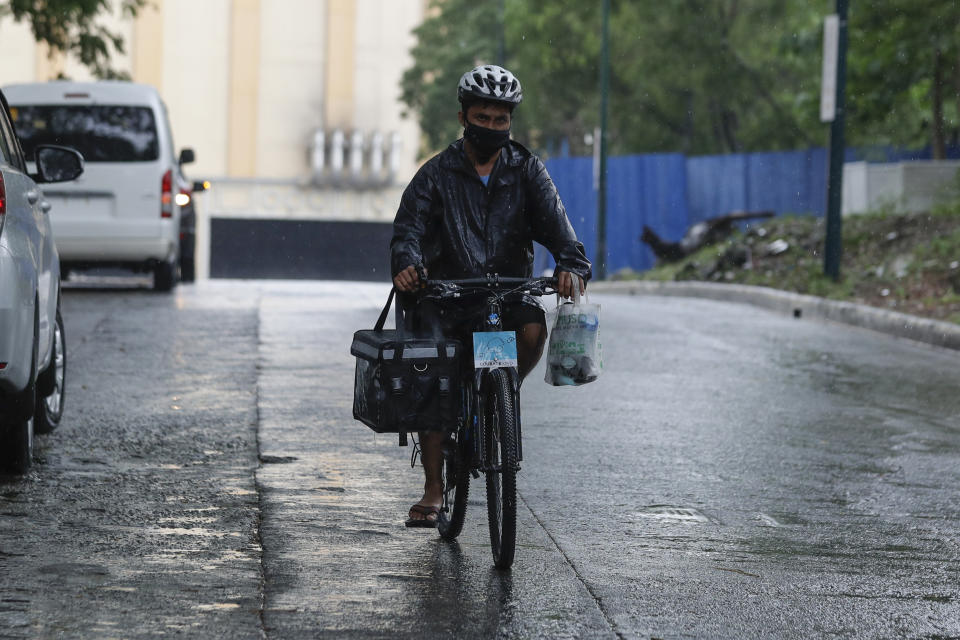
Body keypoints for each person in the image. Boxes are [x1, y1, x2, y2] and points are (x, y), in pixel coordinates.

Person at [391, 64, 592, 526]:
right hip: (448, 298)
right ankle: (434, 489)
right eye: (482, 119)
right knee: (437, 381)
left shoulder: (527, 171)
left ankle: (499, 395)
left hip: (507, 295)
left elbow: (562, 232)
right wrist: (407, 265)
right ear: (464, 117)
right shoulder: (436, 174)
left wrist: (571, 265)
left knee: (531, 327)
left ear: (510, 123)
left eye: (501, 121)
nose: (492, 128)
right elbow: (409, 232)